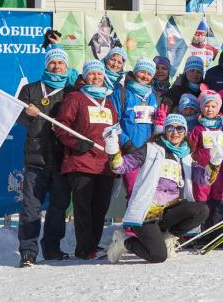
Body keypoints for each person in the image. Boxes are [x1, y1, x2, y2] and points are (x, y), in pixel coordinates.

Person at [105, 114, 213, 264]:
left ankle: (168, 238)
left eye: (180, 129)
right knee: (158, 256)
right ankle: (125, 242)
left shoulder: (186, 155)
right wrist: (112, 147)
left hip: (170, 210)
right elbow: (120, 166)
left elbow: (206, 179)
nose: (175, 132)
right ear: (164, 130)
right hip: (147, 212)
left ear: (185, 132)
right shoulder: (150, 149)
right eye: (170, 128)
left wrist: (216, 160)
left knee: (201, 210)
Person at [53, 60, 117, 260]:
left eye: (99, 74)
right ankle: (84, 248)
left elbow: (115, 130)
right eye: (92, 74)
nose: (96, 77)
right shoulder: (76, 97)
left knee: (100, 209)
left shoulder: (109, 101)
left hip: (104, 164)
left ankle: (94, 246)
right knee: (83, 209)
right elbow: (60, 126)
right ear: (85, 76)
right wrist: (75, 142)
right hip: (81, 162)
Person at [16, 46, 74, 267]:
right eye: (53, 62)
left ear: (66, 67)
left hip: (62, 159)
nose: (56, 66)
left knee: (58, 207)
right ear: (46, 65)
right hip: (35, 159)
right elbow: (17, 116)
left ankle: (52, 248)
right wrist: (25, 113)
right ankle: (28, 252)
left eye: (61, 63)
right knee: (30, 207)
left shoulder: (70, 92)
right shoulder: (30, 89)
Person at [187, 88, 223, 245]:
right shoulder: (197, 129)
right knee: (203, 205)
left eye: (213, 106)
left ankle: (219, 237)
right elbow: (191, 151)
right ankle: (202, 237)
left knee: (219, 205)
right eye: (206, 106)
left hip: (221, 175)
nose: (210, 109)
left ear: (219, 108)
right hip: (202, 174)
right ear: (201, 108)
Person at [110, 57, 160, 197]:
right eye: (142, 72)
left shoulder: (154, 96)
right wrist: (126, 143)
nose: (145, 76)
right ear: (135, 71)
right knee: (134, 193)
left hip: (150, 152)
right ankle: (132, 219)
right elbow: (112, 123)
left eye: (149, 74)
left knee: (149, 194)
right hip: (130, 151)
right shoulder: (122, 93)